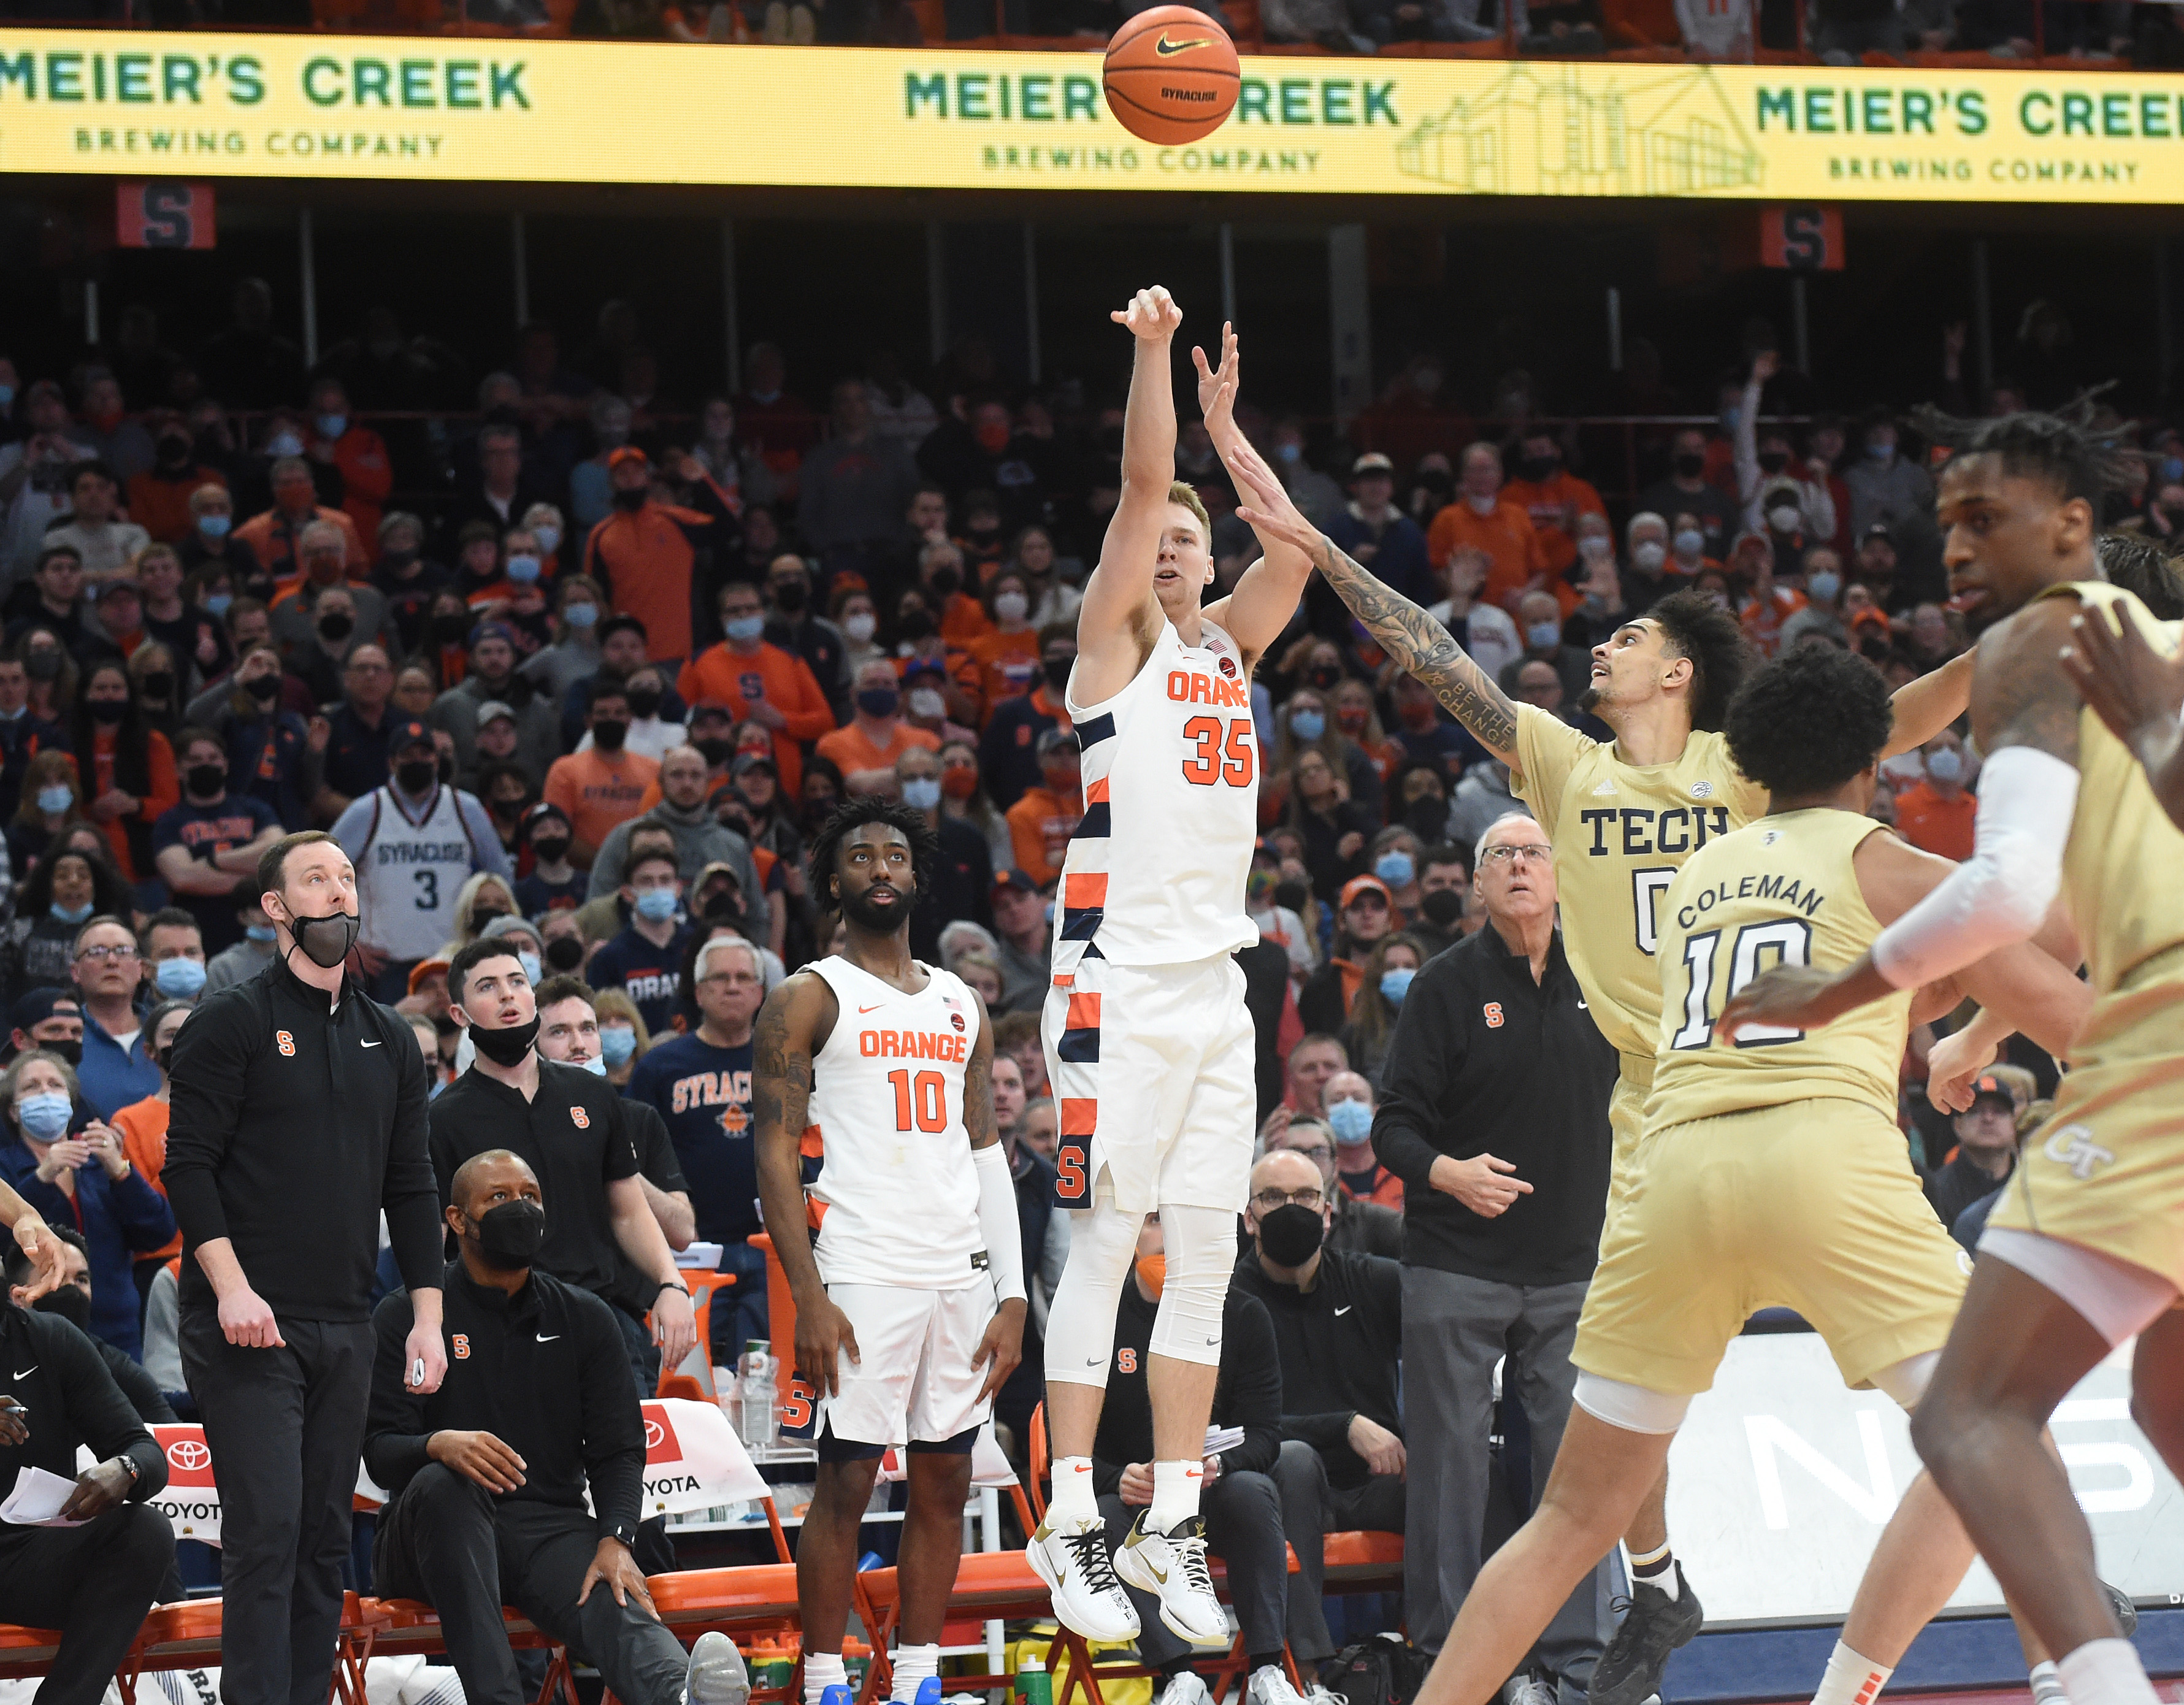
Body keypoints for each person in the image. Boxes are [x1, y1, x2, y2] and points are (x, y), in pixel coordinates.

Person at [1222, 432, 1976, 1703]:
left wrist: (2009, 650)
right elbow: (1427, 649)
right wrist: (1317, 546)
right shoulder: (1561, 762)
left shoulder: (1739, 769)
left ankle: (1724, 1569)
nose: (1597, 649)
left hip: (1762, 1078)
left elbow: (1892, 722)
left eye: (1621, 639)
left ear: (1676, 668)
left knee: (1616, 1390)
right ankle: (1667, 1574)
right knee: (1608, 1393)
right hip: (1641, 1092)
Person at [1419, 644, 2089, 1705]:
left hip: (1674, 1168)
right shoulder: (1888, 863)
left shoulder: (1700, 874)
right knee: (2001, 1434)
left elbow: (1875, 989)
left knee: (1569, 1522)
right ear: (1874, 760)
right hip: (1821, 1156)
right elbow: (2061, 994)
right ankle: (2038, 1684)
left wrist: (1946, 1025)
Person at [1720, 416, 2184, 1705]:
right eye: (1949, 519)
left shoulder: (2037, 646)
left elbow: (1998, 893)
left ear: (2072, 532)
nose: (1959, 545)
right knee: (2168, 1404)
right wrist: (1983, 1027)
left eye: (1988, 517)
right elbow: (2074, 917)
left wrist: (1842, 991)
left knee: (1973, 1412)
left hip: (2159, 1065)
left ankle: (2093, 1690)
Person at [1027, 303, 1314, 1645]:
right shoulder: (1113, 652)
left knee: (1205, 1258)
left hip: (1214, 984)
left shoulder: (1224, 654)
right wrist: (1155, 361)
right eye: (1167, 541)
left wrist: (1228, 437)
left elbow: (1297, 550)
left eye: (1200, 539)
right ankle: (1072, 1514)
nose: (1181, 549)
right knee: (1103, 1240)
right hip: (1112, 979)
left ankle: (1171, 1520)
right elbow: (1142, 489)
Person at [162, 830, 450, 1705]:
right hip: (246, 1320)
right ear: (277, 908)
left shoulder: (391, 1038)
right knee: (269, 1531)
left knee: (326, 1537)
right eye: (315, 879)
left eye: (347, 877)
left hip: (347, 1321)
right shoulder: (231, 1019)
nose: (337, 891)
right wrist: (232, 1287)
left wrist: (429, 1320)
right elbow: (187, 1167)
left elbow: (411, 1183)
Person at [751, 797, 1026, 1705]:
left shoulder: (960, 1002)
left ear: (915, 878)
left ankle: (914, 1676)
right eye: (860, 857)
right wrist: (809, 1294)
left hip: (958, 1272)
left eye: (895, 857)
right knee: (848, 1479)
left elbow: (986, 1151)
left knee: (945, 1478)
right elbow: (774, 1156)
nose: (880, 869)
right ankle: (826, 1676)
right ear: (833, 880)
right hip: (863, 1267)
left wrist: (1013, 1295)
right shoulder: (807, 994)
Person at [1358, 810, 1613, 1690]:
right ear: (1473, 882)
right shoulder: (1443, 986)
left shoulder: (1607, 978)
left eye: (1532, 853)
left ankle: (1572, 1668)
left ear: (1558, 874)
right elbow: (1393, 1129)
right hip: (1456, 1263)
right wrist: (1448, 1173)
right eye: (1498, 855)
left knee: (1570, 1480)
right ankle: (1445, 1660)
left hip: (1574, 1270)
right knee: (1450, 1471)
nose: (1516, 866)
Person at [364, 1148, 749, 1705]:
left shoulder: (585, 1317)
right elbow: (379, 1452)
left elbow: (619, 1448)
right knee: (446, 1486)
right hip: (425, 1538)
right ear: (456, 1220)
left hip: (545, 1524)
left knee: (608, 1583)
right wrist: (437, 1445)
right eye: (498, 1198)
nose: (518, 1208)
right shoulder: (411, 1315)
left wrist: (617, 1537)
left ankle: (683, 1696)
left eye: (530, 1197)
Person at [427, 940, 696, 1408]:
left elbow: (629, 1211)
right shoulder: (444, 1118)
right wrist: (429, 1323)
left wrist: (671, 1284)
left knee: (623, 1472)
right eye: (487, 987)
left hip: (604, 1319)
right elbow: (433, 1240)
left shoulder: (592, 1095)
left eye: (516, 982)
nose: (508, 996)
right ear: (459, 1014)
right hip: (498, 1328)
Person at [1087, 1215, 1293, 1705]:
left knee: (1252, 1490)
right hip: (1135, 1500)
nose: (1170, 1233)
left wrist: (1218, 1467)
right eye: (1156, 1219)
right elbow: (1066, 1446)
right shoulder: (1095, 1316)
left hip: (1212, 1493)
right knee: (1104, 1514)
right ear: (1126, 1231)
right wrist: (1120, 1478)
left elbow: (1266, 1435)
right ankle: (1179, 1677)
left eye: (1181, 1218)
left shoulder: (1242, 1313)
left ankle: (1267, 1669)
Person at [1231, 1148, 1404, 1669]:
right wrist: (1343, 1426)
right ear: (1249, 1218)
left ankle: (1477, 1666)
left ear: (1328, 1214)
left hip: (1378, 1482)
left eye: (1305, 1196)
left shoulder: (1374, 1281)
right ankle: (1305, 1671)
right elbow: (1229, 1430)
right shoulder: (1226, 1302)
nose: (1291, 1208)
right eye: (1273, 1197)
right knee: (1295, 1459)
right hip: (1279, 1496)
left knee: (1466, 1472)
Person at [0, 1251, 175, 1705]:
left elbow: (145, 1450)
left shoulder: (50, 1341)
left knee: (145, 1530)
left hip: (24, 1558)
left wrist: (125, 1469)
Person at [626, 934, 770, 1358]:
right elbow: (633, 1160)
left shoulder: (783, 1062)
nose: (732, 986)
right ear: (699, 991)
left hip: (771, 1250)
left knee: (762, 1374)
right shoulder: (660, 1065)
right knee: (692, 1371)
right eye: (720, 978)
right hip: (690, 1251)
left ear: (760, 992)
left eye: (744, 978)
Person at [0, 1047, 175, 1358]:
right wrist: (42, 1177)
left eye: (55, 1085)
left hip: (117, 1331)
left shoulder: (99, 1164)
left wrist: (120, 1171)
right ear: (13, 1111)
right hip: (36, 1328)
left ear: (71, 1102)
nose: (45, 1093)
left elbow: (159, 1232)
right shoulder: (5, 1168)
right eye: (31, 1087)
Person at [331, 718, 511, 1002]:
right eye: (408, 755)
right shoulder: (368, 810)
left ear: (437, 761)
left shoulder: (466, 808)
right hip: (385, 964)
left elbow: (501, 879)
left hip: (455, 958)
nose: (418, 761)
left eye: (425, 754)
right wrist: (346, 944)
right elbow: (322, 876)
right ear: (392, 762)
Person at [153, 728, 286, 956]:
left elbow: (279, 852)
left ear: (225, 765)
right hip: (202, 930)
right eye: (195, 760)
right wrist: (256, 874)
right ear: (178, 770)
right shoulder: (169, 821)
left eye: (213, 758)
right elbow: (182, 878)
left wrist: (214, 862)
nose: (206, 765)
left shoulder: (255, 809)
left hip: (258, 928)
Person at [543, 680, 660, 868]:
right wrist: (607, 866)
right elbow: (557, 831)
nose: (611, 718)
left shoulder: (654, 769)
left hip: (644, 872)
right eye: (603, 713)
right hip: (585, 875)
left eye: (619, 713)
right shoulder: (564, 770)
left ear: (630, 719)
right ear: (589, 720)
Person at [586, 849, 692, 1036]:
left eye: (665, 880)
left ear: (678, 889)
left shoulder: (697, 947)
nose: (657, 888)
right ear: (628, 893)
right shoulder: (609, 958)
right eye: (646, 882)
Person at [71, 916, 163, 1121]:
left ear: (141, 969)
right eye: (97, 952)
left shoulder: (165, 1034)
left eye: (123, 951)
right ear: (75, 971)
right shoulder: (66, 1037)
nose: (112, 962)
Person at [1923, 1071, 2021, 1228]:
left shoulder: (2031, 1186)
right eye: (1976, 1111)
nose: (1988, 1119)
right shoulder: (1937, 1190)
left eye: (1999, 1111)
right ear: (1958, 1126)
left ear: (2014, 1125)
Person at [1321, 1070, 1401, 1209]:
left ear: (1375, 1111)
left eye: (1358, 1098)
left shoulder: (1400, 1169)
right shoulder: (1316, 1176)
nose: (1349, 1106)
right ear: (1322, 1114)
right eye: (1337, 1100)